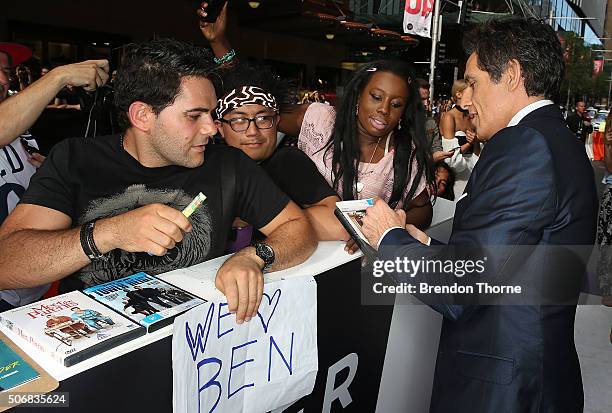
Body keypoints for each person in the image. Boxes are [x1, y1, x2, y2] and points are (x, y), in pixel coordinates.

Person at [361, 18, 597, 412]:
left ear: (513, 75)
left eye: (473, 82)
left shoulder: (525, 145)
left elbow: (463, 287)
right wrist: (427, 244)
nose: (464, 100)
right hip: (532, 378)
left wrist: (390, 239)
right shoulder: (559, 140)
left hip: (501, 391)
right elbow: (513, 261)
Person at [0, 39, 316, 325]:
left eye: (211, 114)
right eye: (195, 116)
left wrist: (255, 256)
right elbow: (6, 263)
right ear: (142, 116)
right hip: (93, 341)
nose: (211, 128)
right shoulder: (75, 159)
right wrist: (110, 232)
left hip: (196, 341)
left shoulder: (228, 165)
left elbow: (297, 228)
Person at [198, 3, 434, 253]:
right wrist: (220, 44)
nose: (384, 110)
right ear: (357, 97)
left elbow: (423, 209)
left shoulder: (403, 154)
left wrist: (388, 229)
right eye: (375, 97)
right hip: (297, 252)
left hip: (353, 261)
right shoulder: (320, 121)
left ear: (403, 112)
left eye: (396, 104)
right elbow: (252, 103)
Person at [0, 43, 107, 311]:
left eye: (5, 70)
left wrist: (50, 176)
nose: (3, 79)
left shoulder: (21, 129)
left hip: (31, 288)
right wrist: (59, 76)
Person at [215, 63, 347, 242]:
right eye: (239, 120)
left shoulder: (286, 162)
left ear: (276, 121)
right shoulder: (211, 165)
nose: (252, 131)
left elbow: (338, 224)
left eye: (263, 118)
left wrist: (258, 215)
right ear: (220, 128)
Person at [439, 79, 481, 197]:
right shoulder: (449, 117)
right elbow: (450, 157)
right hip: (456, 178)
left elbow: (478, 149)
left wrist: (475, 142)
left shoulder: (473, 116)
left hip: (474, 172)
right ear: (459, 94)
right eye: (471, 94)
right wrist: (469, 144)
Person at [415, 78, 452, 163]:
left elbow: (436, 147)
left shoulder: (431, 122)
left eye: (427, 99)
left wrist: (439, 154)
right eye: (421, 99)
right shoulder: (399, 122)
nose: (426, 103)